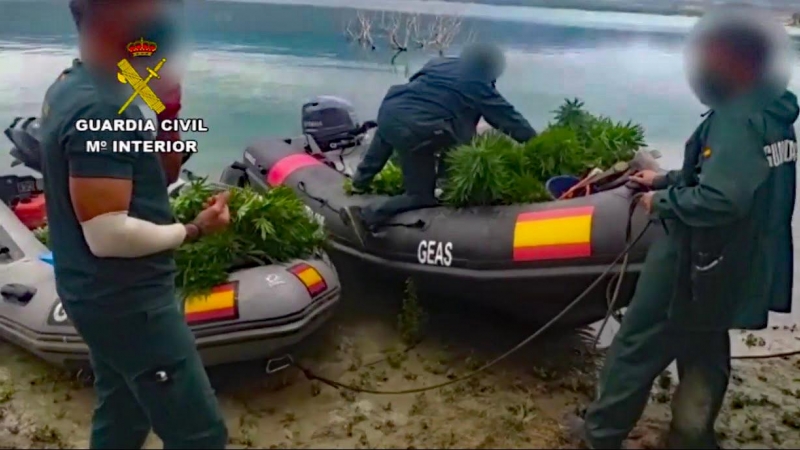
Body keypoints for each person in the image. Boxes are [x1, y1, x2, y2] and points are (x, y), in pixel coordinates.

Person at [567, 12, 797, 449]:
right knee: (705, 346)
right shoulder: (775, 113)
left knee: (638, 343)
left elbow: (722, 199)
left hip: (697, 256)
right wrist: (665, 179)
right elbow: (734, 176)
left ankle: (600, 435)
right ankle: (692, 437)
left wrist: (663, 201)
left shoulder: (735, 116)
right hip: (738, 261)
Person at [41, 1, 229, 448]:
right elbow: (108, 236)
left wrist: (167, 115)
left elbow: (160, 175)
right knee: (200, 435)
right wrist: (195, 229)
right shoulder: (101, 107)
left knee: (123, 412)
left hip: (97, 292)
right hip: (127, 302)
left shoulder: (80, 84)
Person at [340, 42, 536, 246]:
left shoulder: (438, 64)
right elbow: (508, 119)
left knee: (389, 136)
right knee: (420, 196)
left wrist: (361, 180)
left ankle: (359, 183)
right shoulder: (478, 84)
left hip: (391, 109)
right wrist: (536, 142)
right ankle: (366, 215)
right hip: (417, 129)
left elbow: (385, 142)